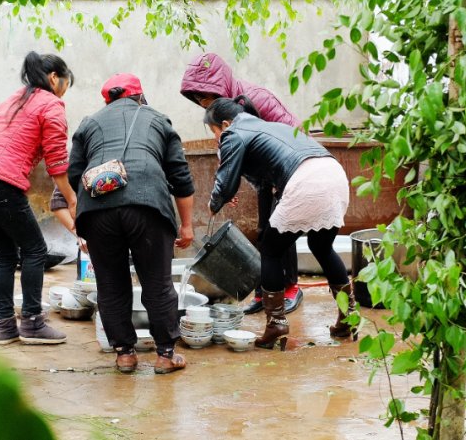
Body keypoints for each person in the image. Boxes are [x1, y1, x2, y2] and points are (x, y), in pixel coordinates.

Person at [68, 74, 195, 374]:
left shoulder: (89, 122)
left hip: (97, 209)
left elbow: (75, 175)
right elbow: (180, 176)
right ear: (141, 96)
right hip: (147, 204)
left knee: (110, 284)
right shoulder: (157, 119)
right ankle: (165, 356)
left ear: (107, 100)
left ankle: (124, 354)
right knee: (157, 282)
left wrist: (87, 214)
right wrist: (186, 225)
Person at [204, 98, 354, 350]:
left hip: (305, 179)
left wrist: (214, 204)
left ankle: (275, 323)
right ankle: (349, 316)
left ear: (225, 124)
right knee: (322, 246)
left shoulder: (233, 133)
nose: (215, 138)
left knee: (271, 251)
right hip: (333, 173)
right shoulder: (268, 126)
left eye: (214, 132)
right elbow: (264, 180)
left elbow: (225, 183)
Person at [0, 51, 77, 345]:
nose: (65, 93)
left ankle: (4, 326)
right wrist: (72, 199)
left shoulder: (13, 99)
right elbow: (57, 164)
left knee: (5, 253)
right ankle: (32, 323)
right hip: (0, 184)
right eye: (65, 85)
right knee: (35, 249)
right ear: (54, 78)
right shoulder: (51, 104)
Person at [180, 52, 304, 315]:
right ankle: (266, 291)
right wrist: (229, 183)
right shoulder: (219, 111)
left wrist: (285, 177)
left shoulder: (259, 98)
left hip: (287, 173)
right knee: (263, 231)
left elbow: (294, 131)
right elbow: (225, 146)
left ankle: (291, 289)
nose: (205, 105)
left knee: (282, 231)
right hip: (264, 178)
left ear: (220, 88)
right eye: (200, 101)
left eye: (207, 98)